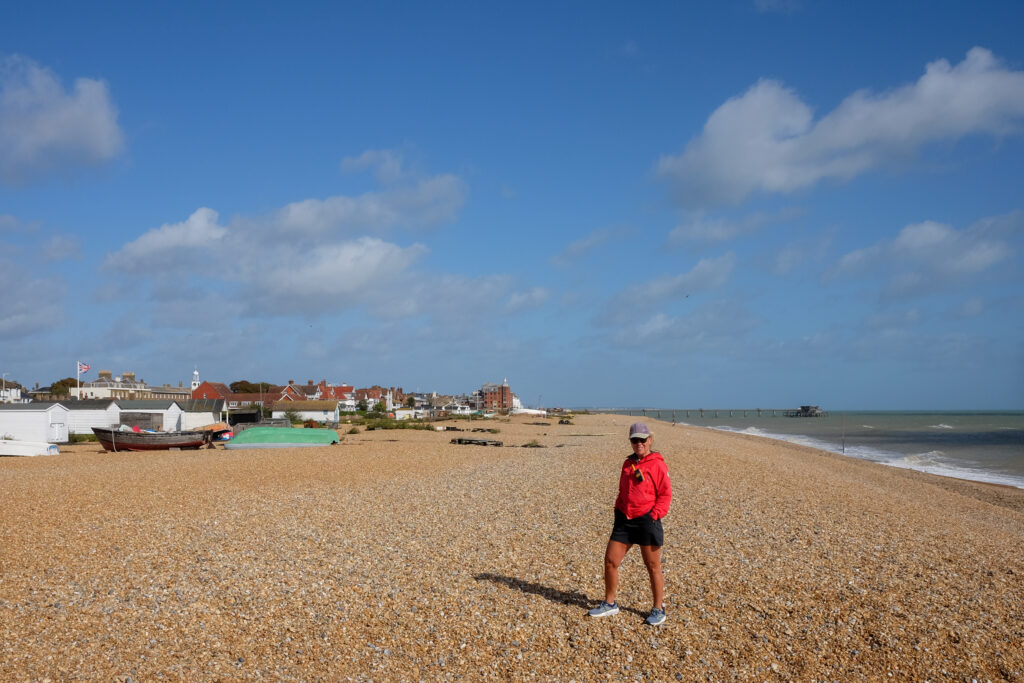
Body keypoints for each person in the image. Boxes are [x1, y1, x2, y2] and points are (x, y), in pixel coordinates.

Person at [588, 422, 672, 626]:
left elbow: (665, 494)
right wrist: (618, 509)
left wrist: (654, 515)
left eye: (643, 439)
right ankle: (610, 603)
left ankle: (658, 608)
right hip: (624, 520)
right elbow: (622, 490)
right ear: (631, 441)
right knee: (610, 561)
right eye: (635, 440)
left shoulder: (658, 464)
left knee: (652, 566)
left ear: (650, 440)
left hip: (647, 520)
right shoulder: (627, 464)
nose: (639, 443)